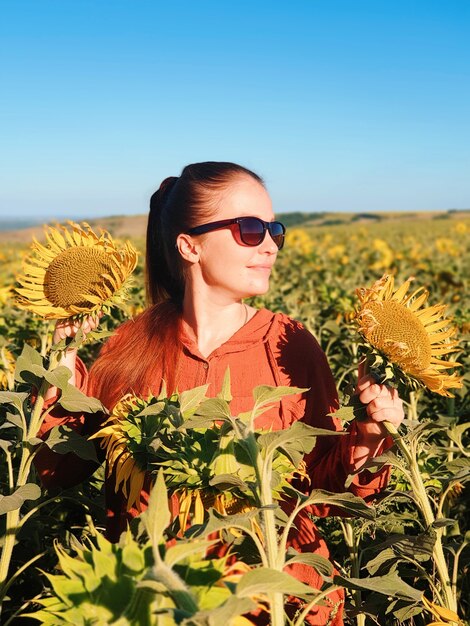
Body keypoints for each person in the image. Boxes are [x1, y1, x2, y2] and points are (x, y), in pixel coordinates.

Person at [36, 161, 404, 625]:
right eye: (250, 229)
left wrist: (369, 436)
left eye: (275, 229)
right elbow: (57, 470)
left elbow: (327, 493)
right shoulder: (127, 349)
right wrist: (59, 379)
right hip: (159, 604)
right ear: (190, 246)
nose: (270, 244)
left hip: (278, 604)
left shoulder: (290, 346)